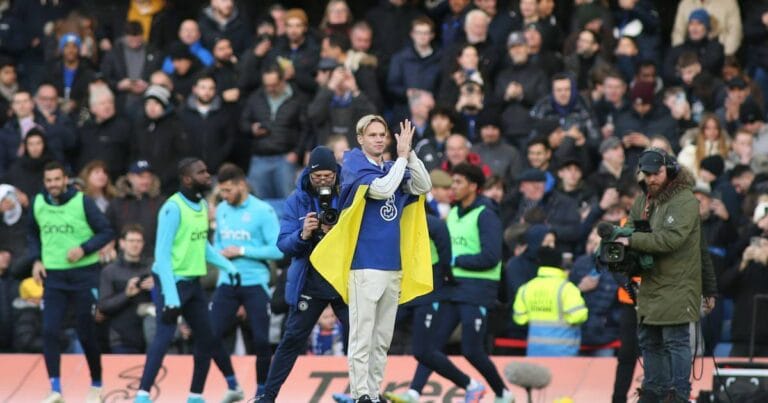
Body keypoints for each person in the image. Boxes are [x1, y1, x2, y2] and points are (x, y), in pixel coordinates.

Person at [311, 116, 432, 403]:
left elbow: (423, 185)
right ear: (360, 139)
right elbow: (382, 189)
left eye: (382, 134)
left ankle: (374, 392)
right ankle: (360, 393)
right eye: (372, 135)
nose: (379, 139)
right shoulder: (354, 165)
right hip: (363, 264)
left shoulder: (393, 167)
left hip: (393, 265)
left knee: (381, 339)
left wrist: (410, 154)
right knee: (362, 335)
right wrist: (401, 159)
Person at [388, 163, 513, 403]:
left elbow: (491, 257)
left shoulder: (486, 215)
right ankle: (414, 392)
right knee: (430, 347)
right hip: (453, 287)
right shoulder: (454, 213)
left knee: (471, 350)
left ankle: (502, 393)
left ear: (473, 186)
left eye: (458, 182)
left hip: (477, 290)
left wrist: (455, 260)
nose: (453, 187)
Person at [134, 158, 240, 403]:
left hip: (192, 283)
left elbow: (201, 245)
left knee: (207, 337)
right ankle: (142, 395)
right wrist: (171, 298)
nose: (208, 175)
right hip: (171, 283)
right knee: (163, 336)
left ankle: (195, 395)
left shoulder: (201, 204)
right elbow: (162, 255)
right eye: (201, 172)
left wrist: (228, 266)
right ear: (187, 179)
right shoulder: (173, 208)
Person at [614, 148, 711, 402]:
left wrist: (630, 240)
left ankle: (678, 394)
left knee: (675, 341)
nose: (651, 179)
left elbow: (671, 239)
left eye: (656, 173)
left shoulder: (685, 201)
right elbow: (630, 230)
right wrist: (616, 242)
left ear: (670, 170)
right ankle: (652, 392)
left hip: (679, 284)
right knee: (649, 341)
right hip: (650, 284)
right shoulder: (643, 200)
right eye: (646, 174)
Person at [254, 146, 348, 403]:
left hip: (343, 280)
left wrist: (337, 232)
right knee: (292, 339)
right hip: (311, 279)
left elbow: (362, 237)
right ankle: (267, 396)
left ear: (336, 173)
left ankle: (366, 394)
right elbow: (283, 245)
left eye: (328, 176)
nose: (323, 182)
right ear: (308, 173)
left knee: (360, 339)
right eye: (317, 177)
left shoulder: (349, 192)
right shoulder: (297, 200)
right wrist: (303, 234)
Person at [29, 161, 114, 403]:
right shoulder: (38, 202)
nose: (53, 184)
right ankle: (55, 389)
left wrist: (84, 249)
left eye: (57, 179)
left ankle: (96, 385)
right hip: (54, 277)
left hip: (83, 275)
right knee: (49, 331)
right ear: (44, 182)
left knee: (86, 333)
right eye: (48, 180)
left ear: (65, 179)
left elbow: (107, 231)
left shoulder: (82, 201)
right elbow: (32, 234)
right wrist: (36, 259)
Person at [208, 163, 283, 401]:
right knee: (210, 336)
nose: (224, 195)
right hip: (227, 282)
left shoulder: (263, 211)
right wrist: (219, 255)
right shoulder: (222, 210)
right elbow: (218, 244)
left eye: (228, 190)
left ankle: (262, 392)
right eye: (222, 191)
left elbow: (278, 250)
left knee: (261, 340)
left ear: (241, 185)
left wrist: (242, 250)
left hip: (255, 283)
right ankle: (233, 385)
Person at [513, 232, 588, 356]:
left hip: (535, 351)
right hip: (564, 352)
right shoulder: (567, 288)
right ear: (560, 264)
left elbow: (520, 318)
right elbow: (579, 315)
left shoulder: (526, 288)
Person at [97, 224, 152, 354]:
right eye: (131, 241)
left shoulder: (153, 268)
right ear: (122, 243)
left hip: (151, 336)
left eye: (138, 241)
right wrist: (126, 294)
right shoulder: (110, 271)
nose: (135, 245)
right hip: (121, 338)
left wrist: (157, 286)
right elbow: (103, 305)